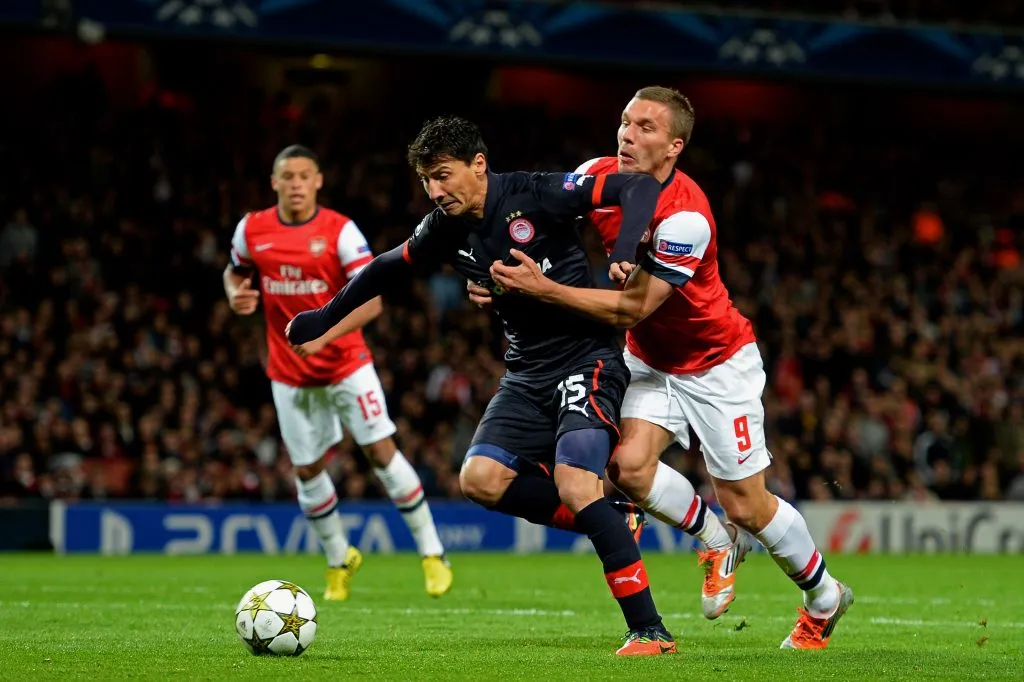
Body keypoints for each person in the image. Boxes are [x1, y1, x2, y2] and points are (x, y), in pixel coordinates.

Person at [287, 116, 676, 655]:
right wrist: (323, 317)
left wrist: (625, 250)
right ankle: (612, 521)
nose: (436, 191)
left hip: (587, 360)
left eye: (443, 176)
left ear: (478, 165)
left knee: (577, 484)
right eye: (426, 180)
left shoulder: (539, 193)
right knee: (481, 480)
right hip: (524, 374)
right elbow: (383, 269)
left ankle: (649, 630)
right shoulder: (443, 227)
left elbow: (635, 185)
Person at [483, 87, 854, 650]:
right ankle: (714, 539)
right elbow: (534, 221)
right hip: (648, 358)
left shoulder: (686, 218)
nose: (628, 135)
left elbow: (633, 305)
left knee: (746, 502)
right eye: (625, 122)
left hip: (716, 363)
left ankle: (824, 596)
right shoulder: (597, 176)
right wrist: (501, 280)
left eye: (647, 128)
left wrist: (544, 289)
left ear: (675, 145)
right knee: (627, 469)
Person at [224, 145, 452, 601]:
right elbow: (235, 272)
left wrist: (323, 337)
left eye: (304, 176)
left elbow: (373, 299)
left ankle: (432, 552)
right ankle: (338, 559)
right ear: (274, 182)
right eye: (287, 176)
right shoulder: (252, 230)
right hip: (288, 374)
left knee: (381, 453)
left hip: (347, 364)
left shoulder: (340, 231)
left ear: (318, 180)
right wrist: (234, 295)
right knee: (306, 470)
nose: (295, 184)